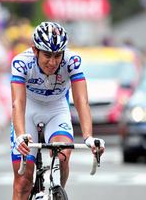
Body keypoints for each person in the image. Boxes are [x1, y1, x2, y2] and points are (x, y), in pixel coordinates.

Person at [10, 22, 105, 199]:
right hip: (28, 110)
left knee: (62, 155)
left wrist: (88, 137)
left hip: (56, 108)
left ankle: (57, 191)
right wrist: (21, 134)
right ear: (35, 50)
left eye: (57, 55)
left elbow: (81, 101)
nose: (53, 62)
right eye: (47, 55)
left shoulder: (72, 61)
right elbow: (17, 102)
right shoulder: (21, 62)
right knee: (22, 183)